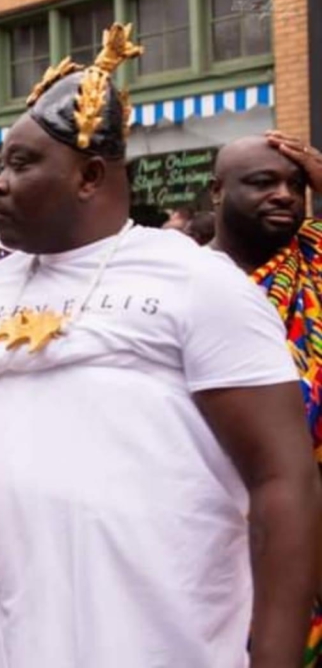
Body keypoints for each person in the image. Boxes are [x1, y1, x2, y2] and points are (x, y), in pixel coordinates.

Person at [0, 24, 321, 667]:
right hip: (13, 640)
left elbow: (283, 481)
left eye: (22, 165)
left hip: (167, 645)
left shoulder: (199, 283)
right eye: (2, 165)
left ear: (90, 175)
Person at [210, 131, 322, 666]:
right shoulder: (186, 284)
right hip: (228, 536)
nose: (284, 194)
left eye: (296, 185)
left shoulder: (312, 260)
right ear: (216, 192)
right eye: (263, 182)